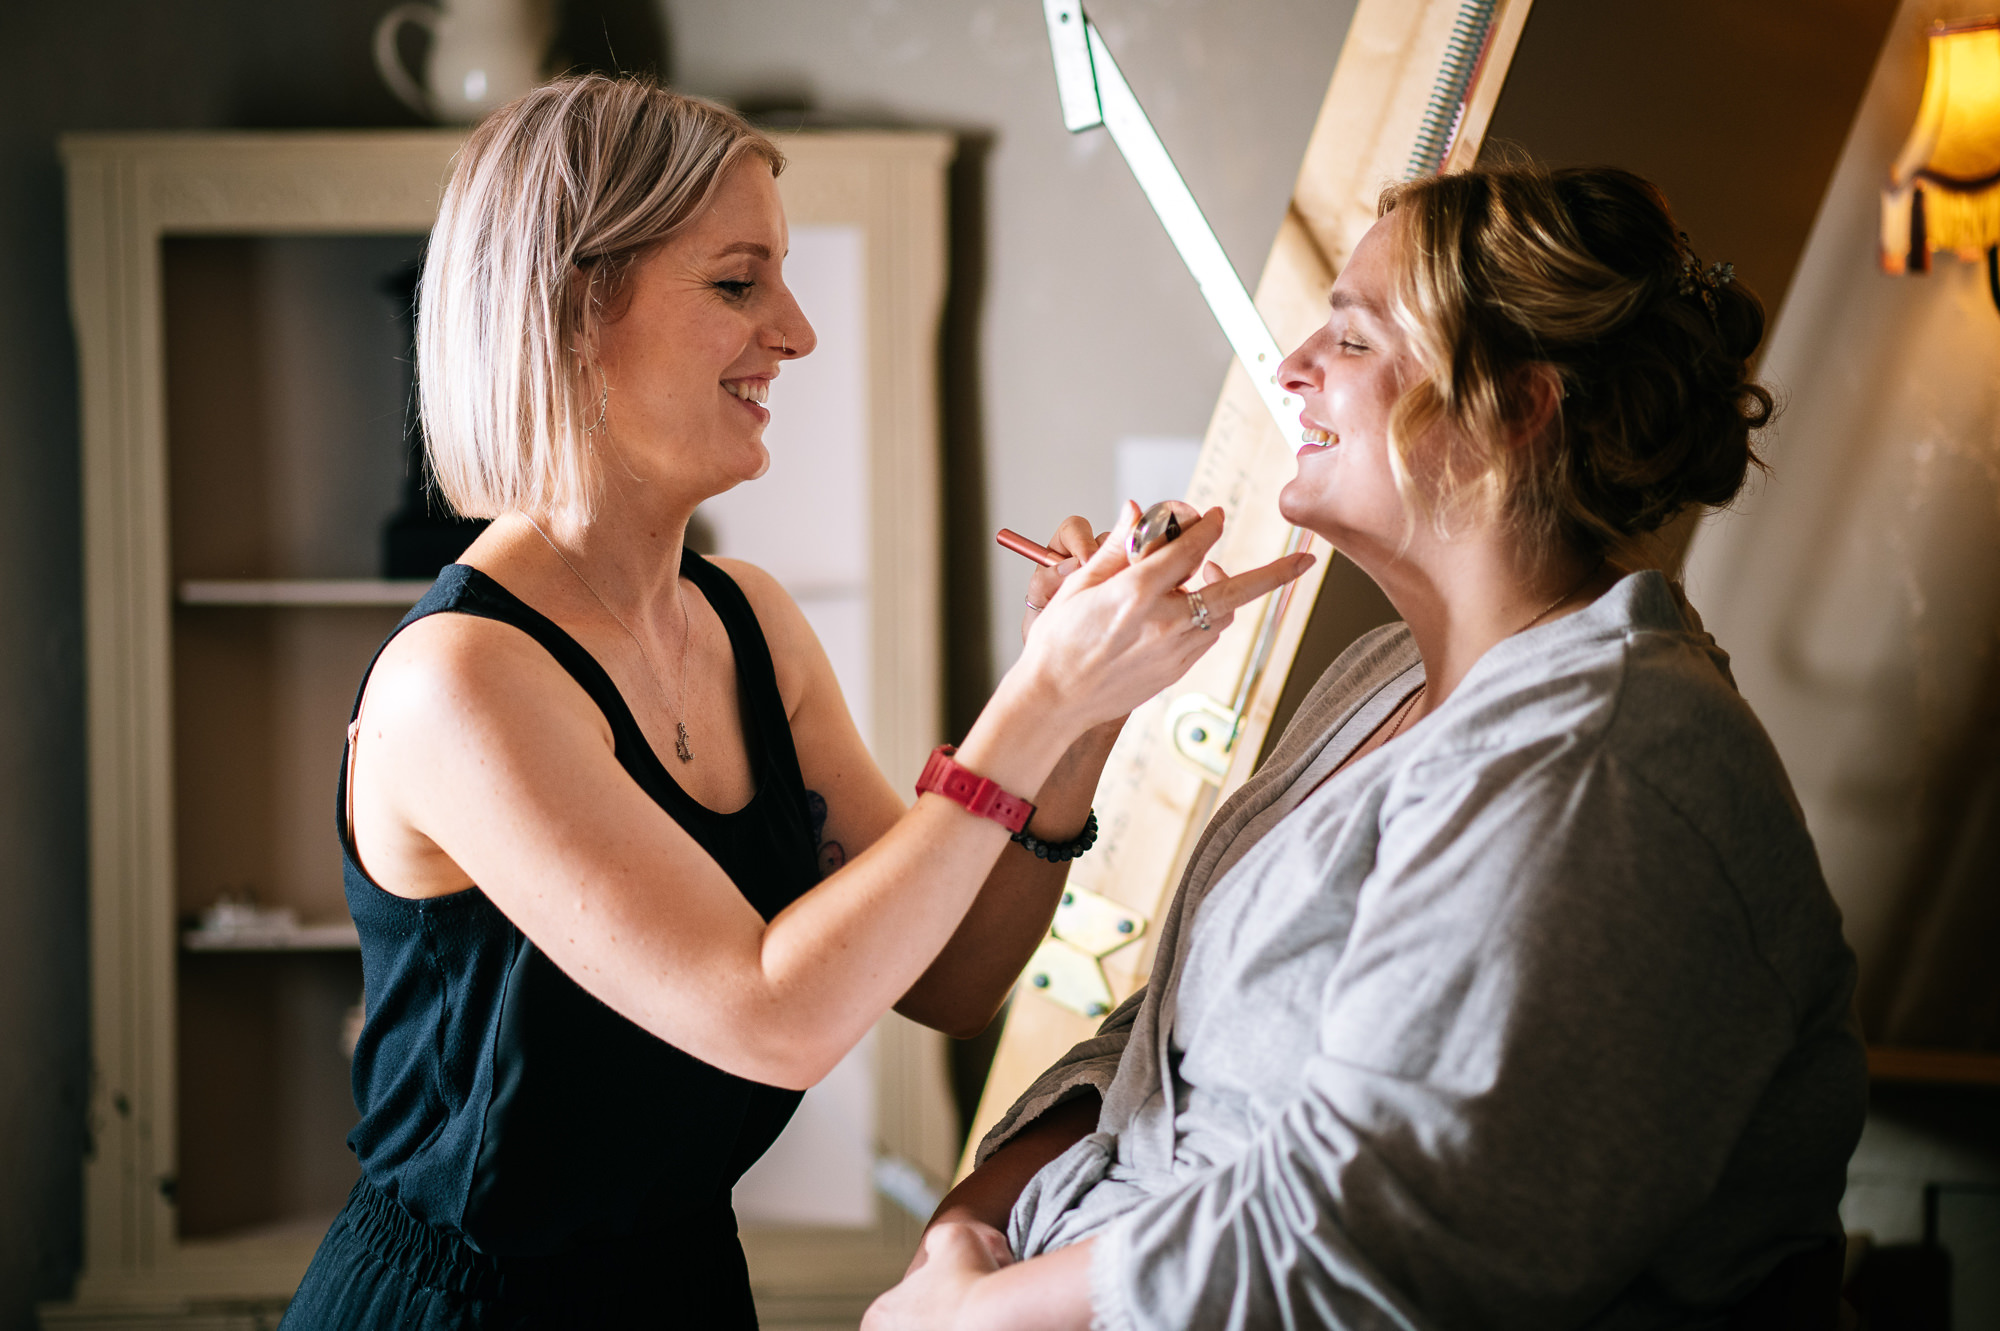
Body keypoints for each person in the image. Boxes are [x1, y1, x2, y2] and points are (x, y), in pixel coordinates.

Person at [280, 75, 1311, 1330]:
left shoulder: (748, 622)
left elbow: (947, 973)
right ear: (571, 309)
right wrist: (1034, 699)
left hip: (686, 1289)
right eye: (735, 282)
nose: (796, 330)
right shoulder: (459, 679)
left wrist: (1087, 713)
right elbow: (770, 1016)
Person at [866, 163, 1869, 1331]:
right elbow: (1166, 1050)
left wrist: (968, 1315)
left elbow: (1365, 1234)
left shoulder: (1599, 763)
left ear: (1513, 406)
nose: (1289, 365)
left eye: (1347, 336)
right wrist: (966, 1231)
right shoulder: (1381, 678)